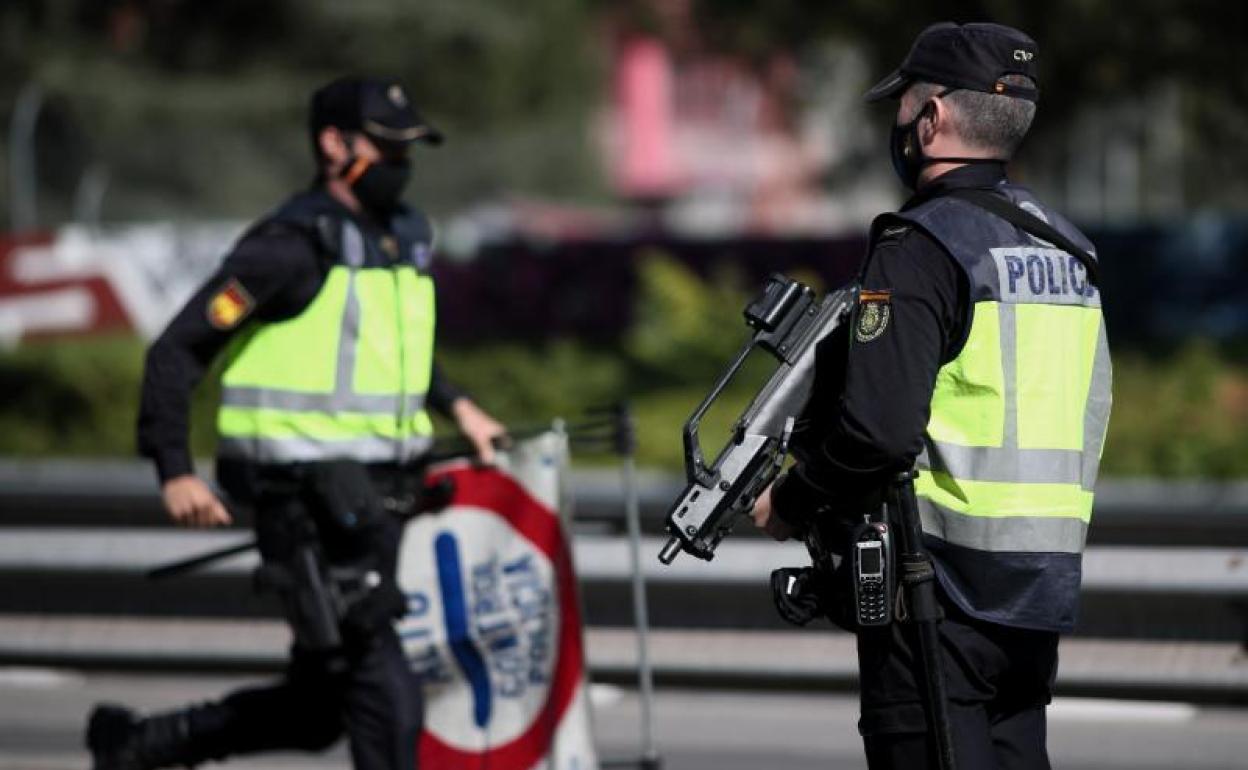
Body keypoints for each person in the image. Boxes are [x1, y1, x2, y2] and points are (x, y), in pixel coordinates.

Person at [86, 75, 505, 770]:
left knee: (318, 711)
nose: (402, 166)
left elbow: (394, 354)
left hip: (378, 502)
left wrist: (459, 405)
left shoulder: (405, 236)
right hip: (302, 506)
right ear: (333, 144)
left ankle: (137, 747)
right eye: (387, 148)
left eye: (410, 151)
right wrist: (174, 469)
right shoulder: (288, 246)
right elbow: (178, 349)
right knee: (383, 687)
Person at [752, 22, 1112, 770]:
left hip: (937, 589)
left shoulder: (921, 247)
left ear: (933, 118)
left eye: (902, 106)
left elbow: (878, 432)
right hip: (1037, 585)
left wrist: (791, 501)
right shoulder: (1067, 249)